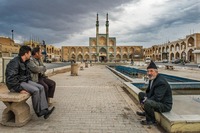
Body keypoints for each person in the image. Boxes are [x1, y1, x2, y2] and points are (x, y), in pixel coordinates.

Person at [6, 45, 55, 119]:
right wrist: (19, 89)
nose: (30, 55)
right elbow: (10, 79)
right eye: (29, 53)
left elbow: (28, 74)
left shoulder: (26, 61)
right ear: (25, 54)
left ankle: (45, 110)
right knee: (35, 90)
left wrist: (31, 82)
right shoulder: (14, 62)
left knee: (41, 87)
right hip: (17, 84)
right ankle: (39, 112)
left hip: (25, 81)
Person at [137, 60, 173, 125]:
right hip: (157, 101)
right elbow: (148, 92)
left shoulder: (161, 82)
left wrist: (145, 101)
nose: (149, 73)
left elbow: (157, 98)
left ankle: (151, 120)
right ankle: (147, 112)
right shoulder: (152, 79)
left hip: (164, 105)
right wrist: (144, 100)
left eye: (151, 71)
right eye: (148, 71)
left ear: (156, 72)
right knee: (141, 94)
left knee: (148, 102)